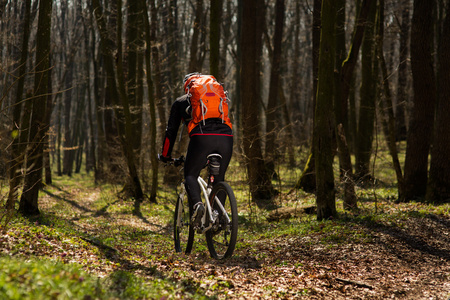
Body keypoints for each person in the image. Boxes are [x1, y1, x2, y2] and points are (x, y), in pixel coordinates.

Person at [159, 73, 233, 226]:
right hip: (226, 137)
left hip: (202, 138)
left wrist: (166, 155)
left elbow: (171, 132)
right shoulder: (218, 98)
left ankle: (198, 205)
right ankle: (219, 217)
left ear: (188, 87)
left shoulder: (181, 102)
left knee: (191, 174)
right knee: (219, 179)